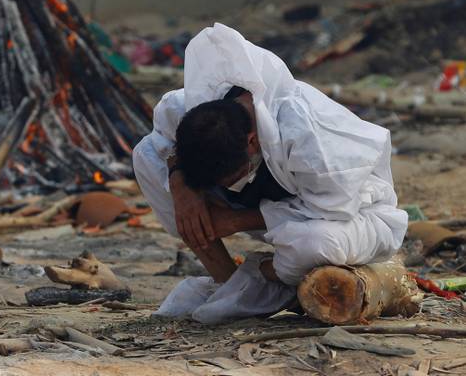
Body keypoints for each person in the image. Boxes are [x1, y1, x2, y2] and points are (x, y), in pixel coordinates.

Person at [132, 23, 407, 324]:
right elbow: (162, 140)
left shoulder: (313, 143)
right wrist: (180, 182)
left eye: (230, 180)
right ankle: (227, 279)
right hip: (271, 211)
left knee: (318, 244)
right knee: (146, 156)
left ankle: (265, 279)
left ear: (252, 141)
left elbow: (325, 212)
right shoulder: (191, 107)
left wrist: (235, 220)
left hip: (352, 217)